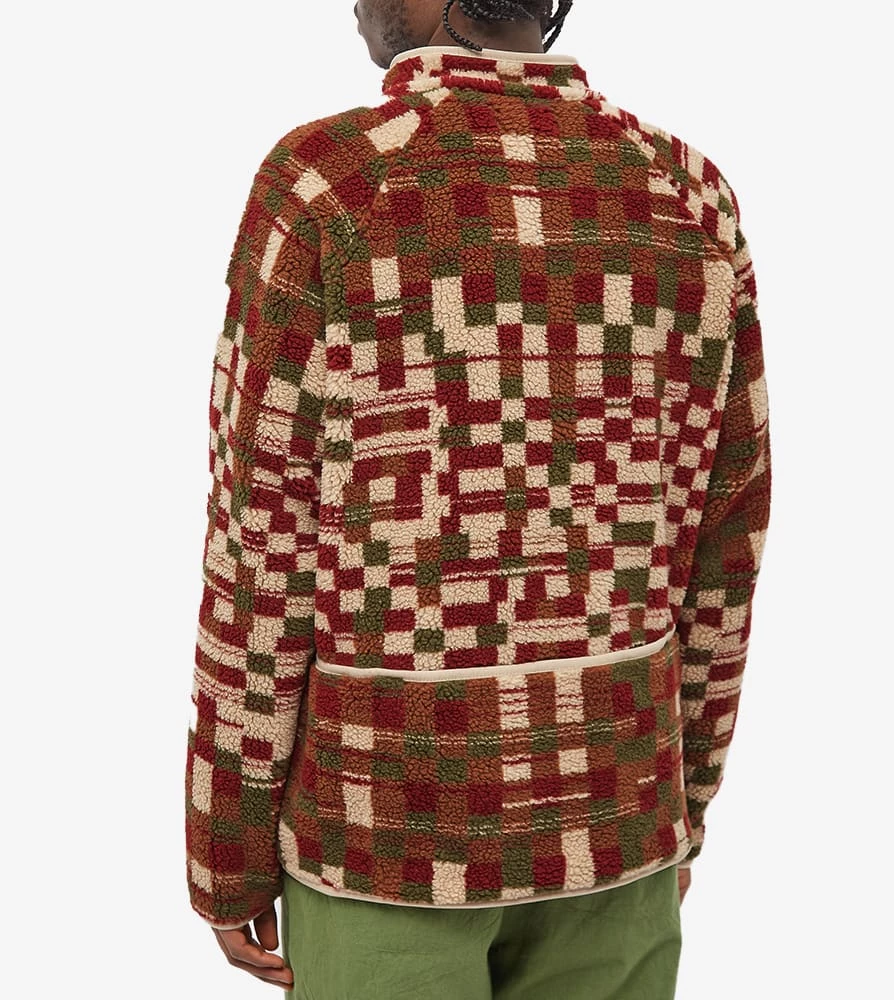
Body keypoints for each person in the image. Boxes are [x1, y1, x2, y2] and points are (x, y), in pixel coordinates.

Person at [183, 1, 771, 996]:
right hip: (619, 820)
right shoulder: (687, 194)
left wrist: (225, 850)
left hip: (389, 840)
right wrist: (683, 804)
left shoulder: (331, 184)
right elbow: (728, 543)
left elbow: (260, 544)